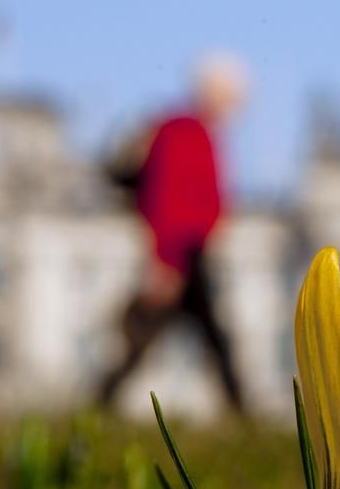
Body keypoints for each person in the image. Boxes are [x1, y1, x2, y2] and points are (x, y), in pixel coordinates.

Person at [97, 53, 248, 412]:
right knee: (211, 339)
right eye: (232, 98)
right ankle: (241, 409)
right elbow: (166, 201)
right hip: (183, 251)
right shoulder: (184, 132)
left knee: (175, 336)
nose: (235, 108)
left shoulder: (192, 130)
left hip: (189, 250)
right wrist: (165, 261)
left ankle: (101, 400)